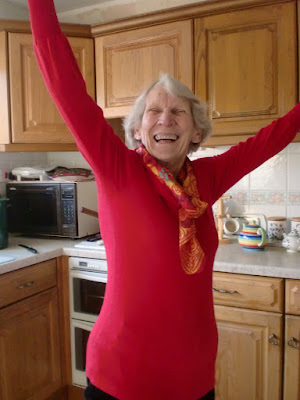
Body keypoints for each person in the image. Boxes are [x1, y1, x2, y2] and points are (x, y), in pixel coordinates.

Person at [28, 1, 300, 399]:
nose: (164, 119)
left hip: (192, 376)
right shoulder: (117, 169)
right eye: (152, 111)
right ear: (138, 131)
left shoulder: (207, 179)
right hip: (122, 373)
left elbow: (271, 138)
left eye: (178, 111)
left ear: (195, 132)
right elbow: (65, 85)